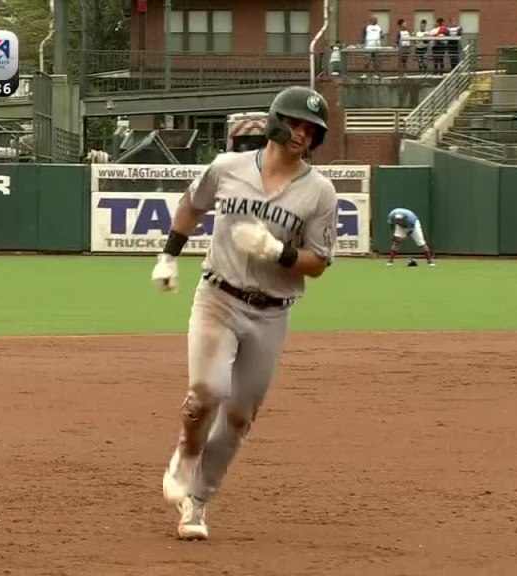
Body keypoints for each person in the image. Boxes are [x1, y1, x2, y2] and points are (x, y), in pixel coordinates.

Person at [151, 86, 338, 541]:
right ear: (276, 121)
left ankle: (197, 501)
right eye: (295, 123)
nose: (302, 134)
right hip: (218, 296)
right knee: (207, 390)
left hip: (272, 312)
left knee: (239, 416)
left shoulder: (319, 192)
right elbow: (191, 205)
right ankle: (186, 452)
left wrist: (280, 253)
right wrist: (169, 255)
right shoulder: (227, 167)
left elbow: (319, 262)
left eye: (311, 130)